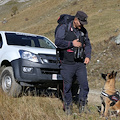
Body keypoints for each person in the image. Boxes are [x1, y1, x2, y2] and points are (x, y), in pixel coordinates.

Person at [55, 11, 92, 115]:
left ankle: (82, 106)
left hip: (80, 64)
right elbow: (57, 42)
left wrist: (88, 56)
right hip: (66, 63)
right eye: (81, 22)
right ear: (75, 20)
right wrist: (72, 44)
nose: (82, 25)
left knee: (84, 86)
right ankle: (68, 108)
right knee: (67, 87)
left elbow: (88, 44)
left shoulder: (83, 31)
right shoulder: (64, 28)